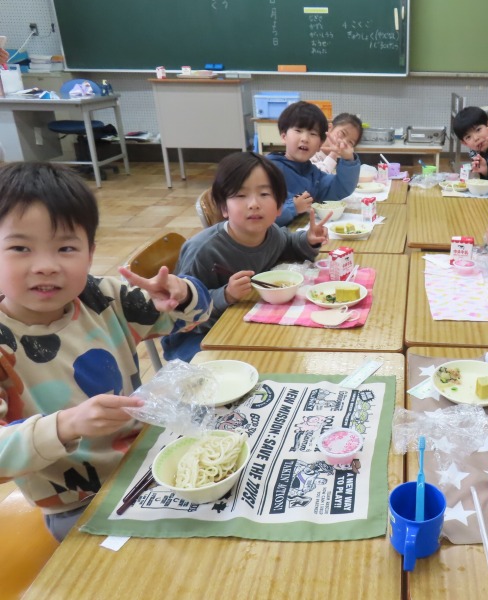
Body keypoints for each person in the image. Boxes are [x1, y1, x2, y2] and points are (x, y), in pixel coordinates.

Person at [0, 162, 212, 541]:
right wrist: (65, 425)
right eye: (20, 248)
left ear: (90, 252)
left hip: (149, 456)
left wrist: (182, 294)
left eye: (66, 247)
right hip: (79, 502)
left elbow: (194, 316)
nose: (46, 266)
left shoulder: (103, 297)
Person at [162, 152, 330, 362]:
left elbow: (289, 244)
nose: (254, 204)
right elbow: (179, 312)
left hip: (243, 323)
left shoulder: (271, 233)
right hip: (195, 341)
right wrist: (226, 295)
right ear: (224, 207)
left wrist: (309, 240)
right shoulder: (203, 251)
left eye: (264, 194)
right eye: (241, 195)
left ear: (280, 206)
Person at [267, 102, 360, 226]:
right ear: (284, 136)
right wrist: (293, 207)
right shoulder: (268, 170)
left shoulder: (313, 174)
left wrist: (348, 159)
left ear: (319, 145)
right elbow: (258, 213)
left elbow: (340, 188)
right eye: (298, 130)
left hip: (301, 233)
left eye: (313, 134)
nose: (305, 138)